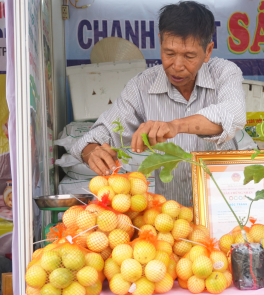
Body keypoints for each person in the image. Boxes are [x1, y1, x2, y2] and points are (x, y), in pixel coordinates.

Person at [71, 1, 246, 207]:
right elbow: (97, 136)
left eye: (189, 56)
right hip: (170, 220)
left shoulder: (225, 73)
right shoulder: (141, 86)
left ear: (207, 51)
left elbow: (233, 115)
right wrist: (92, 152)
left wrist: (175, 126)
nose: (177, 66)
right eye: (169, 53)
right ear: (160, 42)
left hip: (226, 210)